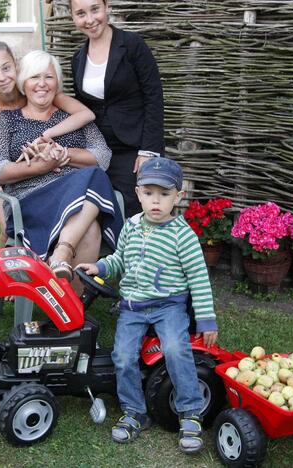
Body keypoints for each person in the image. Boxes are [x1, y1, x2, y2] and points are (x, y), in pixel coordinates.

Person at [76, 158, 217, 454]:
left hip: (169, 306)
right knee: (123, 356)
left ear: (178, 197)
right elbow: (119, 260)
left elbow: (199, 279)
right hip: (133, 306)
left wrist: (206, 320)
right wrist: (101, 267)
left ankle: (190, 411)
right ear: (138, 193)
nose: (156, 201)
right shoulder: (131, 226)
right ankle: (134, 411)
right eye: (149, 193)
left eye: (164, 194)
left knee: (176, 350)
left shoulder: (183, 235)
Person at [0, 50, 122, 289]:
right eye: (34, 77)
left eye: (49, 77)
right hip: (31, 200)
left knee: (90, 221)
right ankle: (66, 281)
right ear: (23, 83)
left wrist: (63, 154)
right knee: (94, 187)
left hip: (77, 198)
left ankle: (66, 290)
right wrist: (40, 166)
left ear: (57, 82)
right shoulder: (8, 120)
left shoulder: (73, 117)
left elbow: (102, 155)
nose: (42, 84)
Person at [0, 41, 96, 244]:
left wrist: (49, 137)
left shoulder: (36, 89)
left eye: (6, 68)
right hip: (21, 185)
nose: (2, 77)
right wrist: (6, 227)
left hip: (61, 177)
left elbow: (84, 114)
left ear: (16, 65)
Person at [69, 0, 165, 217]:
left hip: (135, 149)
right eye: (81, 13)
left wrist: (149, 151)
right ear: (73, 17)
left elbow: (154, 97)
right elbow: (82, 109)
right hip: (99, 152)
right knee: (95, 213)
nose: (90, 19)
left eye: (95, 9)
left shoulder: (132, 45)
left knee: (137, 215)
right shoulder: (77, 59)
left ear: (106, 7)